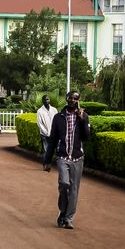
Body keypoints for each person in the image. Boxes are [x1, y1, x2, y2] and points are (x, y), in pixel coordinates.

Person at [43, 90, 91, 230]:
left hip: (77, 158)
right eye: (70, 98)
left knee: (74, 189)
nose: (73, 101)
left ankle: (68, 218)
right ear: (67, 99)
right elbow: (52, 140)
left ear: (78, 100)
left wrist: (82, 120)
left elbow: (86, 137)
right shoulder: (58, 117)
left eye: (76, 99)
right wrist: (47, 160)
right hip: (62, 157)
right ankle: (63, 211)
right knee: (64, 184)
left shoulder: (83, 116)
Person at [36, 95, 58, 165]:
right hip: (44, 134)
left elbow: (57, 121)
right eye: (45, 100)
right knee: (46, 150)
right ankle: (46, 164)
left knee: (55, 150)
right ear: (42, 101)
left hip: (54, 134)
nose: (46, 101)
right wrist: (46, 132)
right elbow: (39, 123)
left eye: (47, 99)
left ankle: (53, 163)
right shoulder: (40, 111)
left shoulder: (54, 110)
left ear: (49, 100)